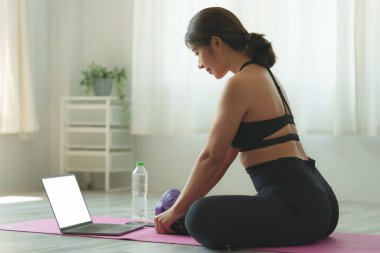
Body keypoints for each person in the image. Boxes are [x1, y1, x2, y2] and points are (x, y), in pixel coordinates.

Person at [154, 6, 339, 249]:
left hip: (297, 208)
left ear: (216, 43)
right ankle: (184, 215)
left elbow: (210, 157)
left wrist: (178, 210)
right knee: (194, 208)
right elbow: (220, 162)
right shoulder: (266, 75)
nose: (199, 64)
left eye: (197, 52)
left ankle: (184, 217)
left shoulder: (239, 84)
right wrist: (182, 207)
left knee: (200, 215)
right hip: (322, 204)